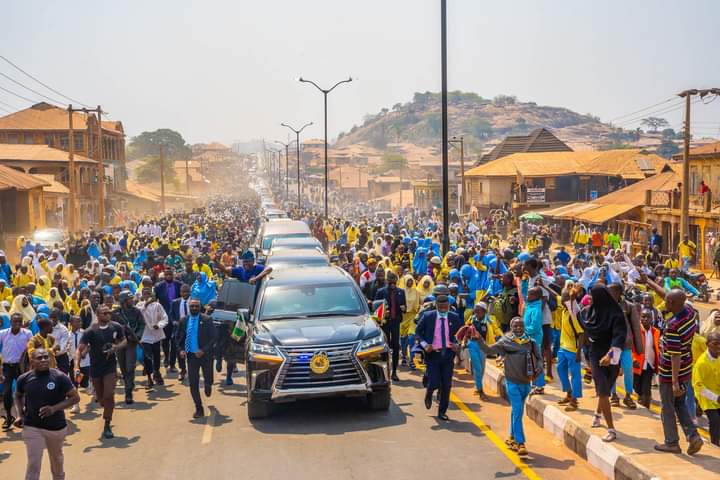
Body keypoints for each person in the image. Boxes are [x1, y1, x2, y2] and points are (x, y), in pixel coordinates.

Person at [475, 316, 542, 457]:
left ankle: (511, 437)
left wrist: (539, 369)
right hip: (512, 383)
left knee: (516, 412)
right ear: (511, 328)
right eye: (515, 326)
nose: (518, 328)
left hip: (526, 384)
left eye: (520, 326)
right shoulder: (505, 341)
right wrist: (479, 340)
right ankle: (520, 442)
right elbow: (488, 350)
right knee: (518, 411)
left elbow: (539, 358)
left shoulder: (531, 342)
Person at [14, 348, 79, 480]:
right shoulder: (24, 379)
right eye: (39, 358)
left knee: (57, 461)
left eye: (46, 357)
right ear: (32, 361)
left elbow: (75, 398)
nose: (43, 360)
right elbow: (18, 395)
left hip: (56, 427)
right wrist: (20, 414)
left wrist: (54, 409)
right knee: (33, 463)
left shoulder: (60, 377)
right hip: (32, 426)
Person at [654, 289, 703, 455]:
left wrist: (674, 382)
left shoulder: (673, 326)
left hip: (670, 373)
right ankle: (693, 436)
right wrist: (649, 282)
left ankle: (672, 442)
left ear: (673, 304)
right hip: (686, 369)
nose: (664, 303)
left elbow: (675, 355)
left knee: (667, 406)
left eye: (667, 301)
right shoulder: (689, 312)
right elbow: (669, 295)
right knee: (680, 403)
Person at [579, 285, 627, 443]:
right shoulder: (589, 312)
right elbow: (581, 321)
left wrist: (610, 354)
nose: (590, 299)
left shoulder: (616, 315)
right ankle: (611, 429)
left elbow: (619, 337)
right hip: (595, 355)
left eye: (592, 296)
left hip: (612, 355)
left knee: (606, 387)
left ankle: (598, 414)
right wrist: (572, 301)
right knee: (603, 390)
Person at [76, 304, 126, 439]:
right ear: (97, 315)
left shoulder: (116, 327)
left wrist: (116, 347)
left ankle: (107, 424)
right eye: (104, 313)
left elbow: (124, 341)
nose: (108, 314)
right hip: (96, 369)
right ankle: (106, 406)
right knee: (103, 399)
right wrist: (76, 366)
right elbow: (80, 350)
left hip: (110, 367)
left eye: (109, 312)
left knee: (109, 394)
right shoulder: (90, 331)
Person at [415, 290, 462, 421]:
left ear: (448, 306)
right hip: (433, 355)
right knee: (434, 382)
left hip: (447, 355)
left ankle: (442, 411)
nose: (442, 309)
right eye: (440, 307)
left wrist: (457, 344)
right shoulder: (428, 316)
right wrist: (425, 345)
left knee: (446, 384)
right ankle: (429, 393)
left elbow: (461, 335)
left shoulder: (454, 317)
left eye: (445, 307)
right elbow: (417, 333)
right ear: (436, 306)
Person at [175, 298, 217, 419]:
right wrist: (181, 350)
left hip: (205, 355)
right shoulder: (183, 321)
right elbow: (177, 338)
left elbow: (214, 337)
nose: (194, 308)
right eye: (192, 306)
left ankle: (208, 384)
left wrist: (203, 350)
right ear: (189, 307)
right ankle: (199, 408)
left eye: (196, 306)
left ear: (200, 307)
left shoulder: (207, 320)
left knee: (208, 377)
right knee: (193, 382)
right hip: (191, 356)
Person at [0, 312, 33, 430]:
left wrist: (30, 368)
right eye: (15, 321)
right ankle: (9, 417)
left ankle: (24, 416)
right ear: (10, 322)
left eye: (20, 321)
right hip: (7, 367)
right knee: (7, 393)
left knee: (25, 391)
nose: (18, 324)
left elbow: (31, 350)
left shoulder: (28, 333)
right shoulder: (2, 334)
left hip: (22, 367)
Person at [112, 290, 145, 404]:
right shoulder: (115, 313)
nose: (132, 301)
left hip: (131, 342)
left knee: (130, 366)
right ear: (123, 301)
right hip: (120, 343)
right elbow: (111, 327)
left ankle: (128, 391)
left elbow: (142, 325)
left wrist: (137, 336)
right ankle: (128, 383)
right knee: (123, 367)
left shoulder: (136, 311)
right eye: (129, 299)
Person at [557, 283, 585, 411]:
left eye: (564, 298)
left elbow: (581, 334)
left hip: (573, 349)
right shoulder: (564, 310)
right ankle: (569, 393)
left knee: (575, 375)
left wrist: (579, 352)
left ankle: (574, 400)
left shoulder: (574, 314)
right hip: (563, 347)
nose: (561, 300)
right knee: (560, 369)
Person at [374, 271, 406, 381]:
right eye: (390, 282)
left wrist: (403, 308)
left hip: (395, 322)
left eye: (394, 282)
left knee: (396, 346)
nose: (392, 284)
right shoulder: (380, 292)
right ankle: (385, 371)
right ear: (387, 281)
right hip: (385, 323)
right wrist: (383, 313)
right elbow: (375, 309)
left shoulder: (401, 292)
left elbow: (404, 307)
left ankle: (394, 371)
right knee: (385, 347)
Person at [137, 287, 169, 387]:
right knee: (147, 356)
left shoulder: (157, 305)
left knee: (156, 355)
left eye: (148, 294)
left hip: (156, 335)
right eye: (144, 294)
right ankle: (149, 377)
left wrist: (159, 325)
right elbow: (140, 313)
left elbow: (164, 317)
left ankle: (157, 372)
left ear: (151, 295)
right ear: (142, 295)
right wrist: (146, 303)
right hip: (145, 335)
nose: (147, 296)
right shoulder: (139, 305)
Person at [692, 331, 720, 446]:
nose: (718, 347)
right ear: (708, 344)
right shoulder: (701, 363)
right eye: (715, 344)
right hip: (707, 397)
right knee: (715, 421)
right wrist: (715, 397)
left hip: (718, 394)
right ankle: (714, 443)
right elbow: (698, 386)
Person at [154, 266, 182, 370]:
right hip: (164, 317)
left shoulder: (179, 285)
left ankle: (172, 363)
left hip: (176, 317)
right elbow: (155, 301)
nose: (169, 276)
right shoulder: (159, 286)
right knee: (165, 340)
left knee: (174, 341)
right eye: (167, 274)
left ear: (173, 275)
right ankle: (166, 357)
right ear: (164, 275)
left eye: (170, 274)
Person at [633, 308, 661, 409]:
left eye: (648, 317)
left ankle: (646, 404)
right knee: (636, 386)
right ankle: (640, 397)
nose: (645, 319)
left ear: (652, 319)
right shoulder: (636, 331)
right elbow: (631, 346)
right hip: (638, 363)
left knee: (646, 387)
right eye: (643, 316)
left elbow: (657, 347)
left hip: (650, 363)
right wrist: (633, 359)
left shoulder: (656, 332)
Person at [169, 284, 191, 380]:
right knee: (180, 351)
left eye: (187, 291)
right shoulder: (175, 302)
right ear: (180, 292)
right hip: (179, 331)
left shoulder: (194, 302)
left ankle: (192, 370)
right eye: (183, 291)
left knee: (192, 351)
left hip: (191, 330)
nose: (185, 293)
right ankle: (182, 370)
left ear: (190, 292)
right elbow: (171, 314)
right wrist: (174, 321)